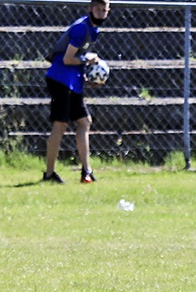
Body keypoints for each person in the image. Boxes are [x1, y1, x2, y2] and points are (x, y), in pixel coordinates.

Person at [43, 0, 110, 185]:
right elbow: (67, 59)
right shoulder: (82, 28)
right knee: (60, 125)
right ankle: (49, 174)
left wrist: (88, 80)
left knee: (84, 121)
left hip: (73, 81)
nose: (101, 13)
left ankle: (86, 172)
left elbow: (77, 59)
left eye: (104, 10)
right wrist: (88, 60)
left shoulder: (93, 28)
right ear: (90, 9)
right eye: (98, 9)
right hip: (60, 79)